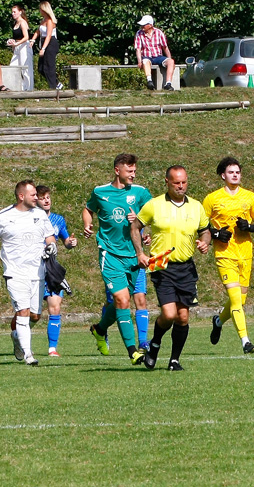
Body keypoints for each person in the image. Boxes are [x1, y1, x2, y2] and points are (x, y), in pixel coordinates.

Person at [132, 166, 211, 371]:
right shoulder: (154, 205)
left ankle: (174, 360)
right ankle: (155, 344)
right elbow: (135, 227)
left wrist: (204, 242)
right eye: (176, 182)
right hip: (162, 265)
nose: (181, 186)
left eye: (184, 182)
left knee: (183, 316)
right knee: (168, 314)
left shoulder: (196, 206)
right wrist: (140, 252)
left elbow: (205, 230)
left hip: (186, 267)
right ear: (167, 182)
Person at [82, 153, 153, 364]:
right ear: (117, 171)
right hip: (110, 253)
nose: (133, 174)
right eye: (129, 171)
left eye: (134, 171)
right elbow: (88, 209)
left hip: (134, 255)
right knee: (123, 300)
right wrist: (87, 224)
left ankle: (100, 329)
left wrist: (141, 223)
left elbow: (153, 216)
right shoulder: (100, 192)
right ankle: (133, 351)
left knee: (121, 301)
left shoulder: (140, 193)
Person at [0, 180, 57, 366]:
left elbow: (49, 236)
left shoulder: (40, 215)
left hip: (38, 272)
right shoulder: (3, 216)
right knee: (22, 311)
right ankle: (28, 355)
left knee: (35, 315)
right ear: (21, 196)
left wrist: (51, 246)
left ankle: (17, 335)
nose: (37, 198)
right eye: (33, 195)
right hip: (15, 272)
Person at [204, 156, 254, 355]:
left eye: (237, 172)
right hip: (224, 254)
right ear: (223, 176)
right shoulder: (212, 199)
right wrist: (215, 234)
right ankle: (245, 342)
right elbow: (201, 226)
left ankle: (218, 320)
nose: (235, 175)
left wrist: (251, 227)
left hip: (245, 253)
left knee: (240, 301)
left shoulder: (250, 197)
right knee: (235, 299)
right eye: (231, 172)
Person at [36, 185, 77, 357]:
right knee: (33, 315)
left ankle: (52, 348)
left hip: (51, 270)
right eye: (42, 197)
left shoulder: (58, 220)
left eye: (48, 197)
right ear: (35, 200)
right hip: (33, 269)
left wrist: (70, 243)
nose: (46, 200)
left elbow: (65, 240)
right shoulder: (31, 220)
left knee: (55, 306)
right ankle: (18, 336)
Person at [134, 15, 175, 91]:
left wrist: (169, 58)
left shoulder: (159, 33)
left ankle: (168, 84)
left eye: (144, 25)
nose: (142, 26)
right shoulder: (139, 34)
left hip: (158, 56)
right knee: (145, 61)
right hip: (147, 57)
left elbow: (165, 47)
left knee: (171, 62)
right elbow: (138, 49)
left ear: (150, 25)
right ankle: (149, 81)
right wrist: (139, 61)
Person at [33, 1, 61, 90]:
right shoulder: (43, 20)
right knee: (41, 69)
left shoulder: (49, 21)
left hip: (50, 43)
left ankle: (53, 87)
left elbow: (48, 35)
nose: (39, 11)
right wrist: (33, 40)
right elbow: (38, 31)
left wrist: (43, 49)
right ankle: (56, 83)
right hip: (44, 42)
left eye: (40, 9)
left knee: (49, 67)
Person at [6, 4, 33, 91]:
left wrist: (17, 44)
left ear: (20, 12)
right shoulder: (16, 23)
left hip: (24, 47)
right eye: (12, 12)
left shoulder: (22, 22)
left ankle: (29, 89)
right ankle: (19, 88)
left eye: (15, 12)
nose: (13, 14)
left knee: (26, 70)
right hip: (17, 47)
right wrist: (12, 42)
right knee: (13, 67)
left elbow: (26, 37)